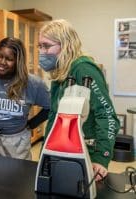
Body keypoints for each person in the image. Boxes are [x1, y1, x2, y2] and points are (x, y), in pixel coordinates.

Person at [38, 19, 120, 181]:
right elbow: (56, 117)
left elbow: (108, 116)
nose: (41, 51)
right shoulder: (61, 72)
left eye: (46, 46)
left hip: (83, 154)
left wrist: (101, 158)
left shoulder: (83, 69)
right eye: (39, 46)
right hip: (62, 150)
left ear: (66, 45)